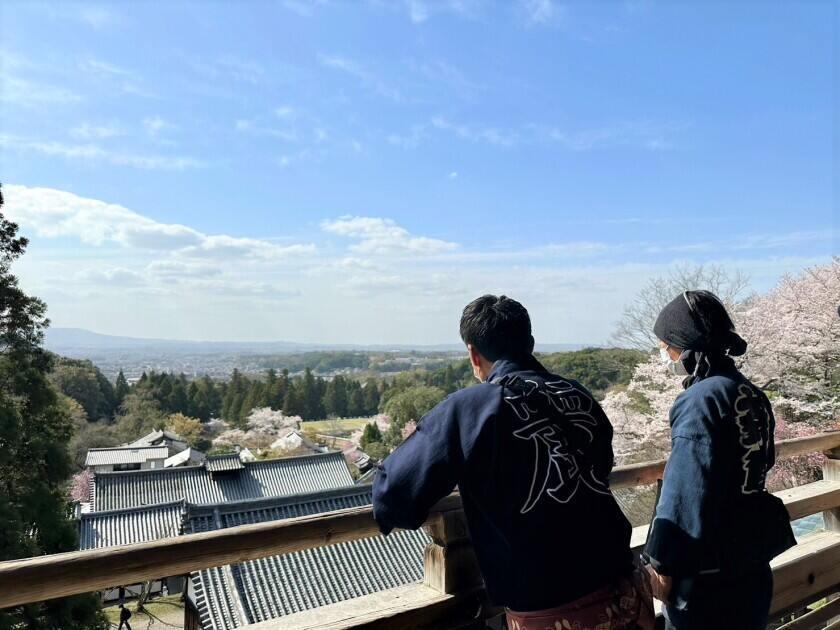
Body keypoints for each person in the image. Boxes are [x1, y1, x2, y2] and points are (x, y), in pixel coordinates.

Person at [373, 295, 654, 630]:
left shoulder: (470, 409)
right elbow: (600, 465)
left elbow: (392, 495)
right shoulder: (576, 395)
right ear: (530, 344)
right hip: (629, 592)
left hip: (553, 612)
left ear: (472, 354)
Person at [644, 290, 796, 630]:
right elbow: (764, 461)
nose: (665, 354)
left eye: (667, 346)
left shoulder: (700, 400)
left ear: (687, 348)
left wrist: (661, 563)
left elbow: (684, 490)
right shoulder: (750, 392)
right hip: (751, 564)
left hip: (708, 579)